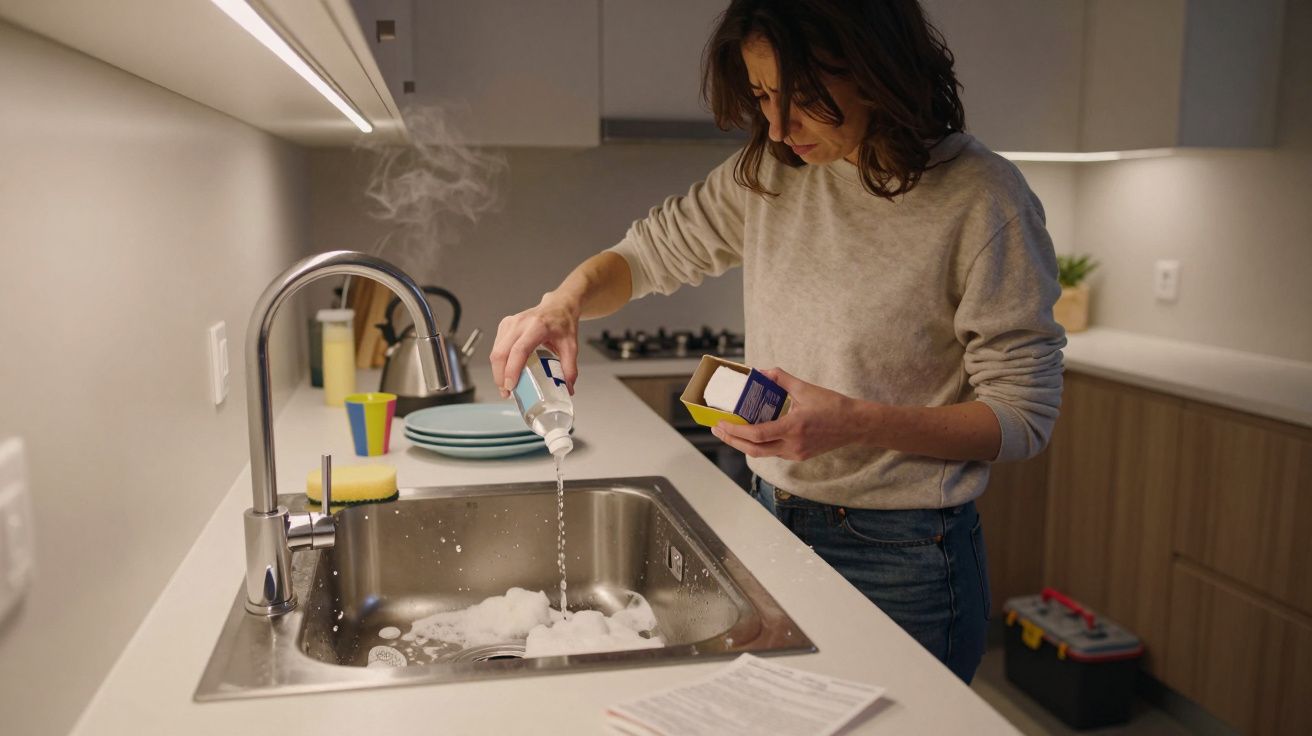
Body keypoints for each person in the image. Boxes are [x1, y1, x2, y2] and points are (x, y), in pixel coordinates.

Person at [490, 0, 1065, 684]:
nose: (776, 125)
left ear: (880, 72)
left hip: (904, 556)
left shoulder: (984, 199)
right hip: (771, 520)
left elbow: (1023, 418)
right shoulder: (770, 172)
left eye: (805, 100)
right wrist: (566, 300)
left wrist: (855, 424)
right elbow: (646, 254)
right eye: (764, 96)